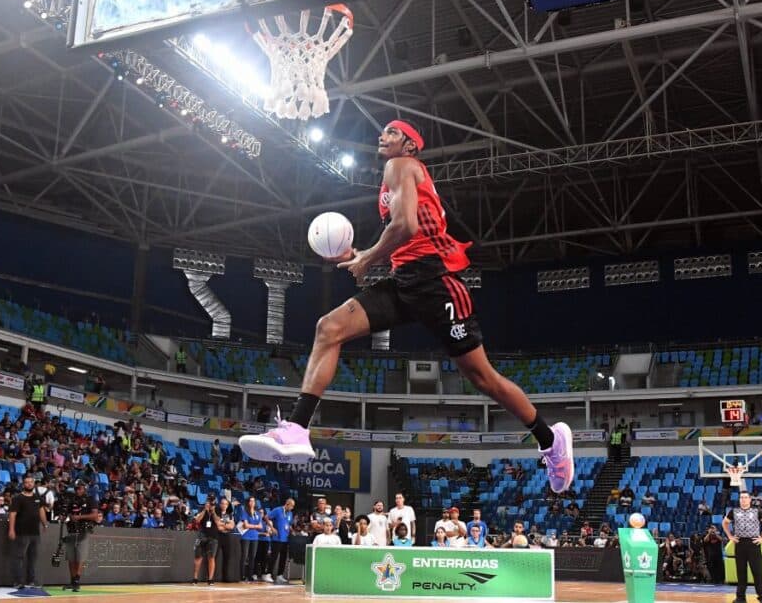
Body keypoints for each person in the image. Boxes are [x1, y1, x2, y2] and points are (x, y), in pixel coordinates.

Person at [238, 120, 573, 495]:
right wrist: (367, 255)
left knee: (483, 378)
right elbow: (404, 237)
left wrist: (367, 259)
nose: (383, 137)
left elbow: (406, 226)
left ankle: (551, 441)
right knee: (328, 328)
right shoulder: (398, 174)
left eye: (392, 133)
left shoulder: (399, 166)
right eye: (383, 132)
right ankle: (298, 430)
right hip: (405, 281)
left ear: (410, 145)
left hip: (437, 283)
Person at [722, 489, 762, 603]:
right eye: (741, 497)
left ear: (750, 499)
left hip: (753, 543)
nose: (743, 499)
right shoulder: (733, 511)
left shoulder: (758, 511)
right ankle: (740, 598)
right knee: (741, 572)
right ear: (739, 499)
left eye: (745, 497)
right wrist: (730, 536)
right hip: (739, 543)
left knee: (757, 571)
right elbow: (724, 523)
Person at [61, 481, 101, 592]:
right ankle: (72, 581)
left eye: (80, 488)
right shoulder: (71, 500)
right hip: (71, 530)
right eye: (76, 488)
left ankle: (77, 581)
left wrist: (79, 517)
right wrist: (64, 516)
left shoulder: (90, 500)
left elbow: (95, 516)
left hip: (84, 531)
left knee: (80, 556)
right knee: (71, 557)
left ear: (85, 489)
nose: (78, 490)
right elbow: (67, 513)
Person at [8, 476, 47, 589]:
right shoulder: (18, 498)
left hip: (35, 532)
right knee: (19, 557)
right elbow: (12, 514)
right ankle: (17, 581)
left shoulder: (37, 498)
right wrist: (11, 529)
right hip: (22, 532)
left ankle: (31, 580)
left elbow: (41, 511)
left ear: (34, 484)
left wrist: (45, 524)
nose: (29, 484)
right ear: (23, 484)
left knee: (32, 558)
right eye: (26, 482)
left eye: (31, 482)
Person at [192, 497, 222, 585]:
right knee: (198, 557)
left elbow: (218, 522)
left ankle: (210, 579)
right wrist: (205, 510)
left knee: (211, 558)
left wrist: (213, 512)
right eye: (209, 502)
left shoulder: (217, 510)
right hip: (202, 536)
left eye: (212, 502)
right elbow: (197, 520)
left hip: (213, 537)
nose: (211, 504)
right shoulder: (202, 509)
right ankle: (195, 577)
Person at [267, 497, 294, 584]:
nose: (292, 508)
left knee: (283, 558)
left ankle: (279, 575)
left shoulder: (290, 513)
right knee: (274, 557)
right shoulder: (277, 510)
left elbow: (288, 524)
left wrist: (291, 530)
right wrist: (272, 528)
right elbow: (266, 517)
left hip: (285, 539)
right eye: (292, 506)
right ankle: (268, 574)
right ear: (287, 504)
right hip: (277, 538)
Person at [238, 496, 262, 583]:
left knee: (252, 557)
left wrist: (253, 526)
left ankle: (250, 575)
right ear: (248, 503)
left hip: (255, 537)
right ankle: (242, 576)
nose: (252, 503)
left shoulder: (258, 513)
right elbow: (245, 525)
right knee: (244, 556)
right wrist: (256, 526)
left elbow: (261, 526)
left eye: (253, 501)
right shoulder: (245, 512)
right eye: (250, 501)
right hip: (246, 536)